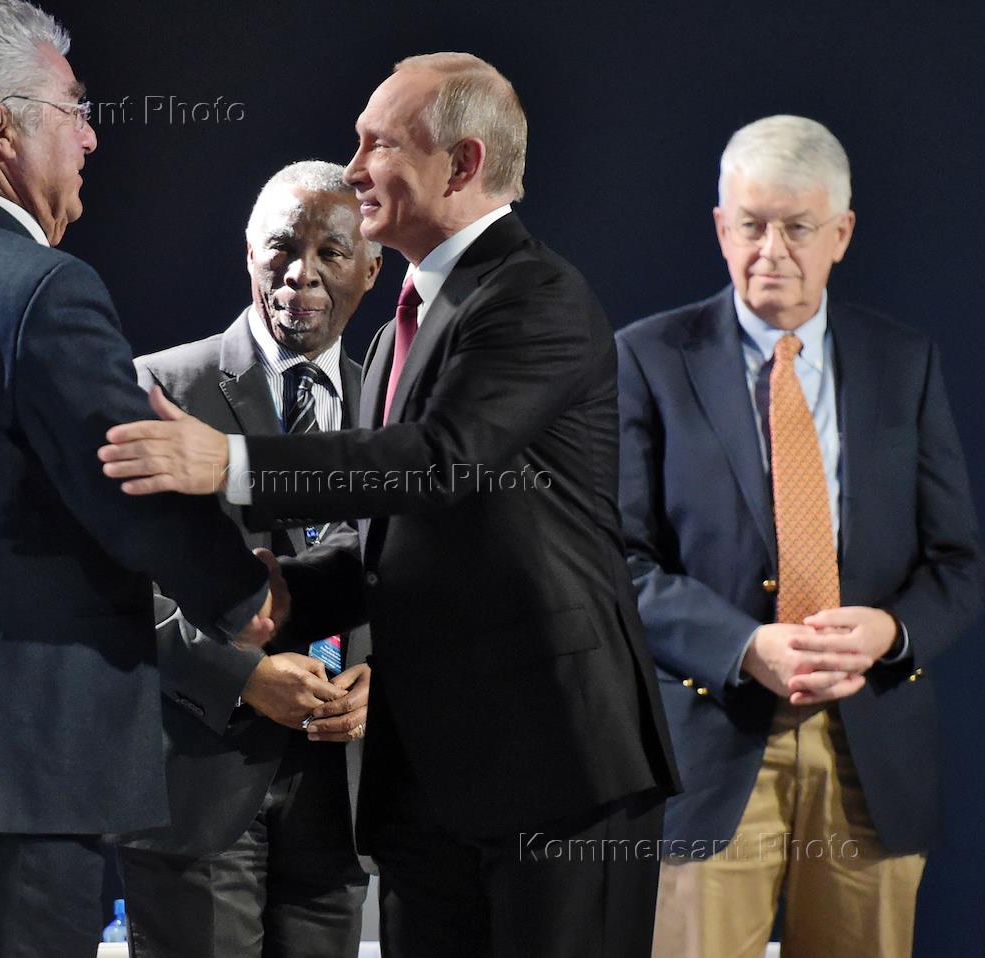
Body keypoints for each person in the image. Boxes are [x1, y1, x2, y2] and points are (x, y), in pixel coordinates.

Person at [100, 53, 679, 958]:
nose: (356, 167)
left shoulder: (535, 297)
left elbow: (438, 462)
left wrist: (230, 462)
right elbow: (396, 536)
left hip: (554, 769)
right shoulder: (400, 329)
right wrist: (291, 593)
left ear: (462, 163)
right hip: (429, 788)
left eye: (380, 144)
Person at [0, 1, 278, 955]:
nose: (91, 136)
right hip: (18, 763)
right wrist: (246, 598)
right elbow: (129, 487)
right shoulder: (42, 288)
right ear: (3, 127)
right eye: (73, 109)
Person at [615, 114, 983, 957]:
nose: (770, 251)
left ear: (841, 234)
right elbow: (617, 563)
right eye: (751, 226)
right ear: (721, 228)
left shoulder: (903, 362)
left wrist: (891, 631)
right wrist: (745, 646)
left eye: (796, 228)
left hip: (871, 750)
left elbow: (959, 563)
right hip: (712, 746)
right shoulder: (649, 359)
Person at [117, 160, 382, 958]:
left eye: (331, 252)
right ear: (247, 253)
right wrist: (243, 675)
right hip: (199, 777)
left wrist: (382, 678)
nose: (302, 273)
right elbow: (110, 583)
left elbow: (417, 572)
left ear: (372, 269)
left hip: (340, 794)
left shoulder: (393, 411)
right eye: (282, 248)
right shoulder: (160, 386)